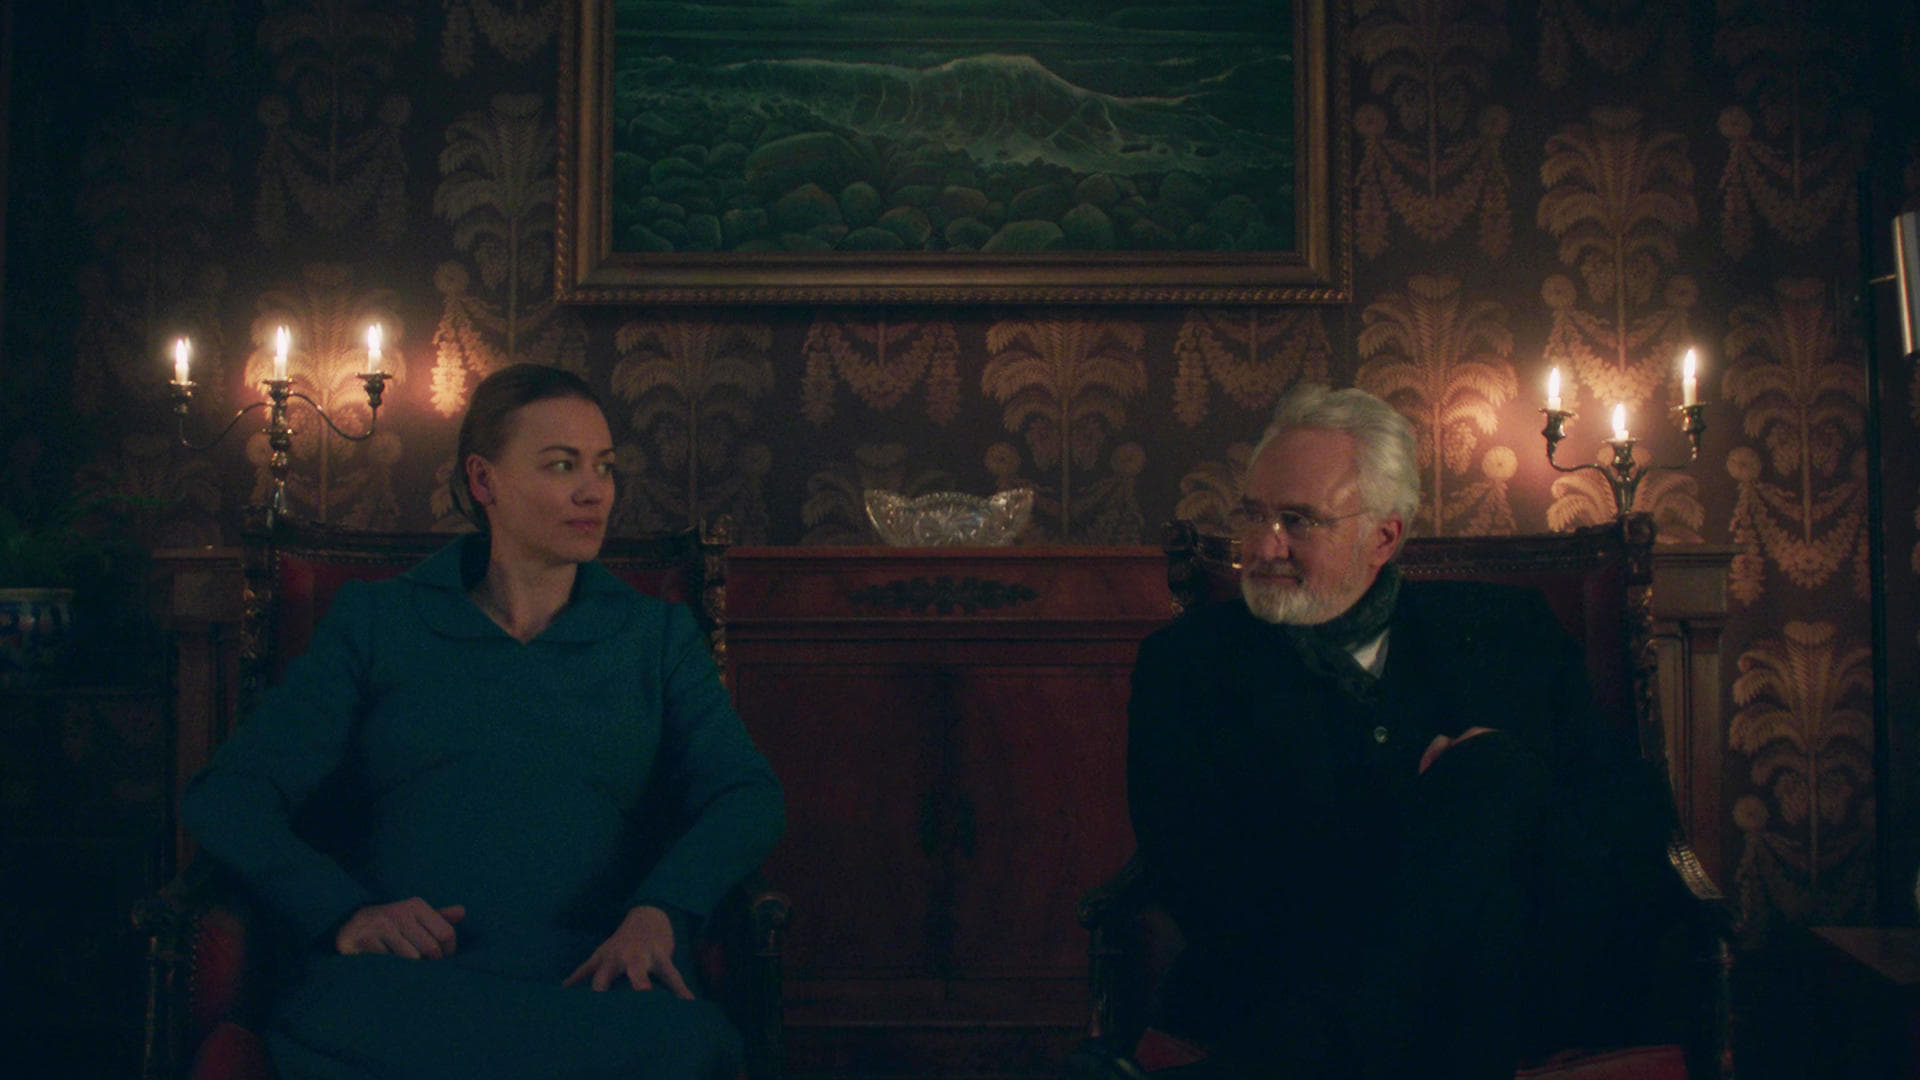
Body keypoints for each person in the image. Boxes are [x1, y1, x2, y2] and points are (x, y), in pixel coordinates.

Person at [181, 363, 785, 1080]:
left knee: (682, 1046)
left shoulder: (654, 638)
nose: (594, 491)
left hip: (591, 977)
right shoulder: (378, 623)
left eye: (604, 466)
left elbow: (748, 795)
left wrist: (664, 910)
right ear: (484, 481)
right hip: (411, 985)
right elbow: (228, 796)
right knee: (343, 1024)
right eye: (561, 465)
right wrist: (344, 913)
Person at [1124, 384, 1672, 1079]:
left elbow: (1623, 824)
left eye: (1297, 521)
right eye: (1254, 514)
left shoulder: (1509, 637)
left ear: (1383, 536)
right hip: (1286, 976)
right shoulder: (1187, 663)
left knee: (1491, 773)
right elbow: (1194, 874)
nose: (1262, 547)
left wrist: (1493, 788)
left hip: (1511, 975)